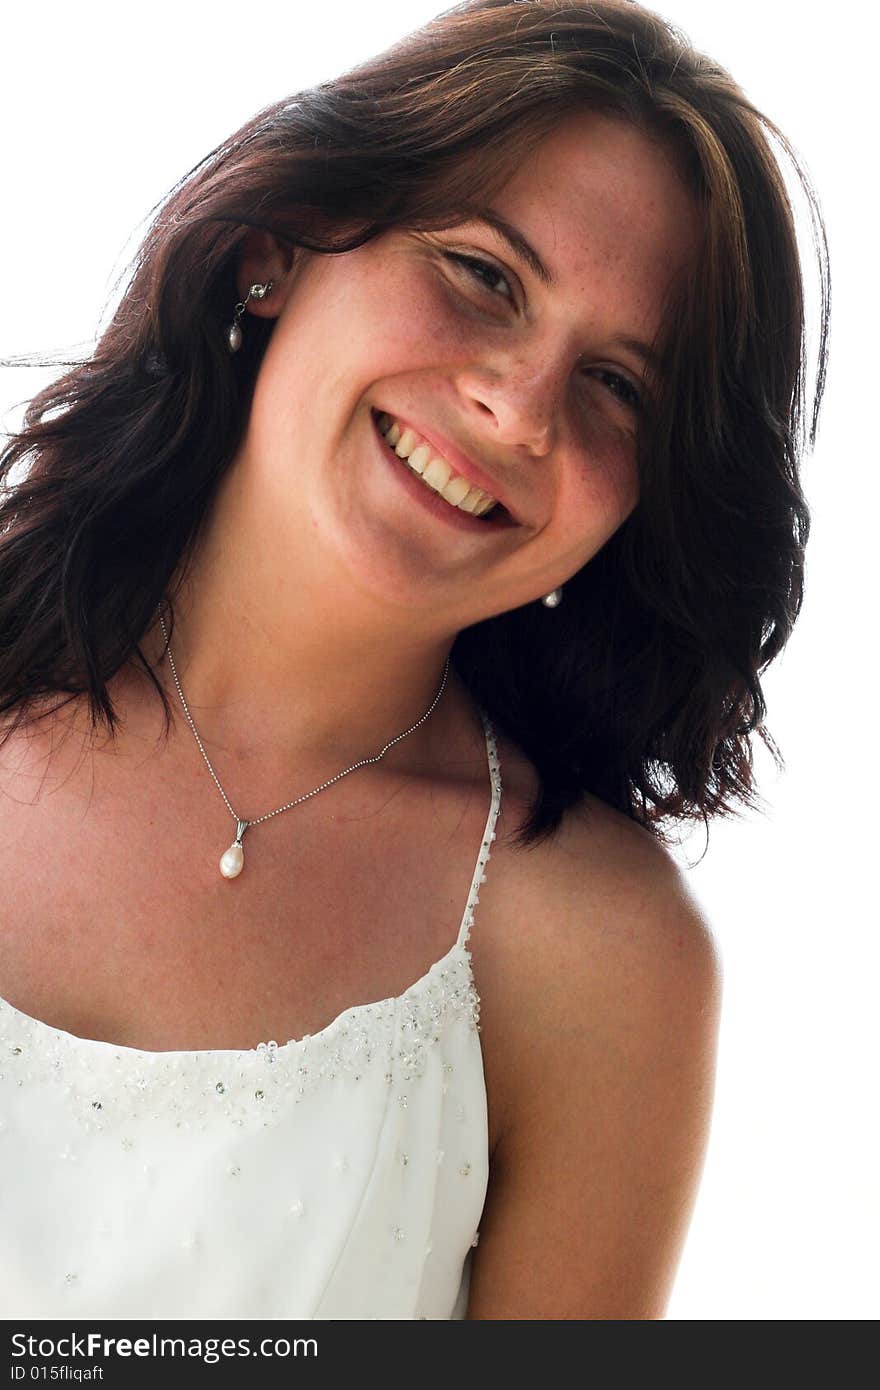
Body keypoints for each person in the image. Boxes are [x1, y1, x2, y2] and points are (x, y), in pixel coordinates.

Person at [0, 0, 828, 1320]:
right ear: (273, 252)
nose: (519, 406)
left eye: (619, 384)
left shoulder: (596, 958)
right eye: (485, 276)